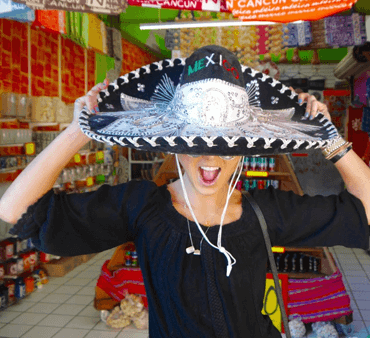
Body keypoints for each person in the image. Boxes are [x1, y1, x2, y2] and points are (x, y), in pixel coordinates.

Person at [0, 45, 369, 338]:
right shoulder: (142, 207)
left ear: (242, 149)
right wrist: (78, 131)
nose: (210, 159)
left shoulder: (267, 212)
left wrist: (330, 139)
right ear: (173, 145)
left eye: (226, 145)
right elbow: (15, 210)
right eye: (194, 143)